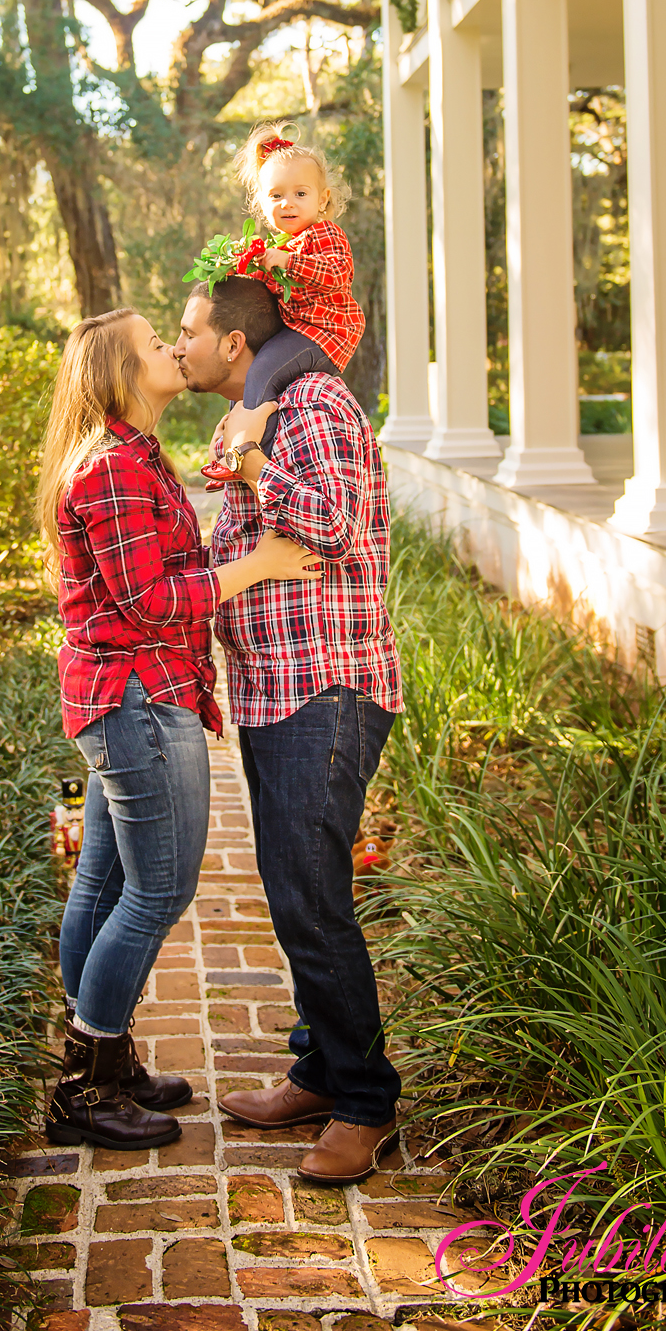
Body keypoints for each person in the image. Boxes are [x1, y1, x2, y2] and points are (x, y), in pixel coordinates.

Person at [35, 307, 320, 1151]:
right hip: (137, 701)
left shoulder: (133, 456)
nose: (170, 347)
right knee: (157, 890)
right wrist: (263, 563)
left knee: (103, 882)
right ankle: (85, 1085)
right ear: (120, 375)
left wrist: (244, 453)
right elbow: (150, 602)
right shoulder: (112, 472)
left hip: (126, 695)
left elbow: (167, 569)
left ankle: (101, 1058)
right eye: (153, 343)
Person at [175, 276, 403, 1187]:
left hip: (327, 690)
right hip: (277, 693)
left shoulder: (310, 405)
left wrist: (247, 467)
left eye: (188, 330)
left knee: (312, 902)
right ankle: (317, 1075)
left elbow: (332, 526)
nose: (178, 342)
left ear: (235, 343)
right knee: (290, 895)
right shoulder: (265, 413)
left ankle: (363, 1103)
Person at [201, 124, 365, 480]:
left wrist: (289, 262)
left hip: (326, 332)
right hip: (297, 330)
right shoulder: (279, 248)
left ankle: (253, 455)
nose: (287, 203)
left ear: (322, 199)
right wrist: (242, 267)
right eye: (275, 196)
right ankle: (232, 441)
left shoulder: (325, 235)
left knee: (264, 371)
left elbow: (338, 274)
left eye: (300, 193)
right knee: (248, 373)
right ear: (261, 203)